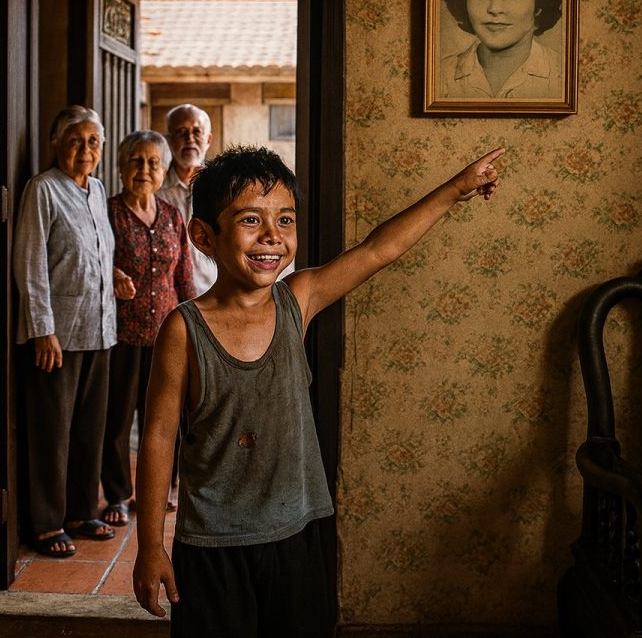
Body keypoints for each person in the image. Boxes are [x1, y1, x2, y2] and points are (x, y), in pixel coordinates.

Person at [132, 144, 505, 637]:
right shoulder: (183, 330)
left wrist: (456, 189)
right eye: (250, 220)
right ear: (204, 236)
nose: (272, 237)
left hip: (298, 533)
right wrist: (150, 545)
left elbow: (378, 250)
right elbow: (159, 437)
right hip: (212, 546)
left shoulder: (298, 301)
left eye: (285, 221)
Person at [13, 106, 117, 557]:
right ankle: (47, 522)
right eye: (76, 140)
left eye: (94, 141)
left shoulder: (96, 190)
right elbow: (31, 263)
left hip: (100, 326)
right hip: (59, 334)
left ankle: (81, 510)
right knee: (52, 430)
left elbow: (91, 253)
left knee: (90, 429)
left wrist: (116, 278)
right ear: (57, 143)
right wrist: (42, 329)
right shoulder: (43, 189)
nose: (86, 149)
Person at [101, 130, 196, 528]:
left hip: (166, 338)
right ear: (122, 167)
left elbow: (184, 276)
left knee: (164, 419)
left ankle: (162, 489)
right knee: (118, 420)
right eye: (135, 162)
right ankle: (119, 495)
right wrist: (112, 273)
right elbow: (93, 259)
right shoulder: (108, 212)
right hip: (121, 334)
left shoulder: (173, 215)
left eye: (152, 162)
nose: (144, 169)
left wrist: (194, 325)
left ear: (162, 171)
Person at [157, 104, 217, 295]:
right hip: (167, 298)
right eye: (181, 132)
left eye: (196, 132)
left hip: (213, 293)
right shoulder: (154, 190)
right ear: (168, 140)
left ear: (208, 139)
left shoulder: (223, 189)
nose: (189, 139)